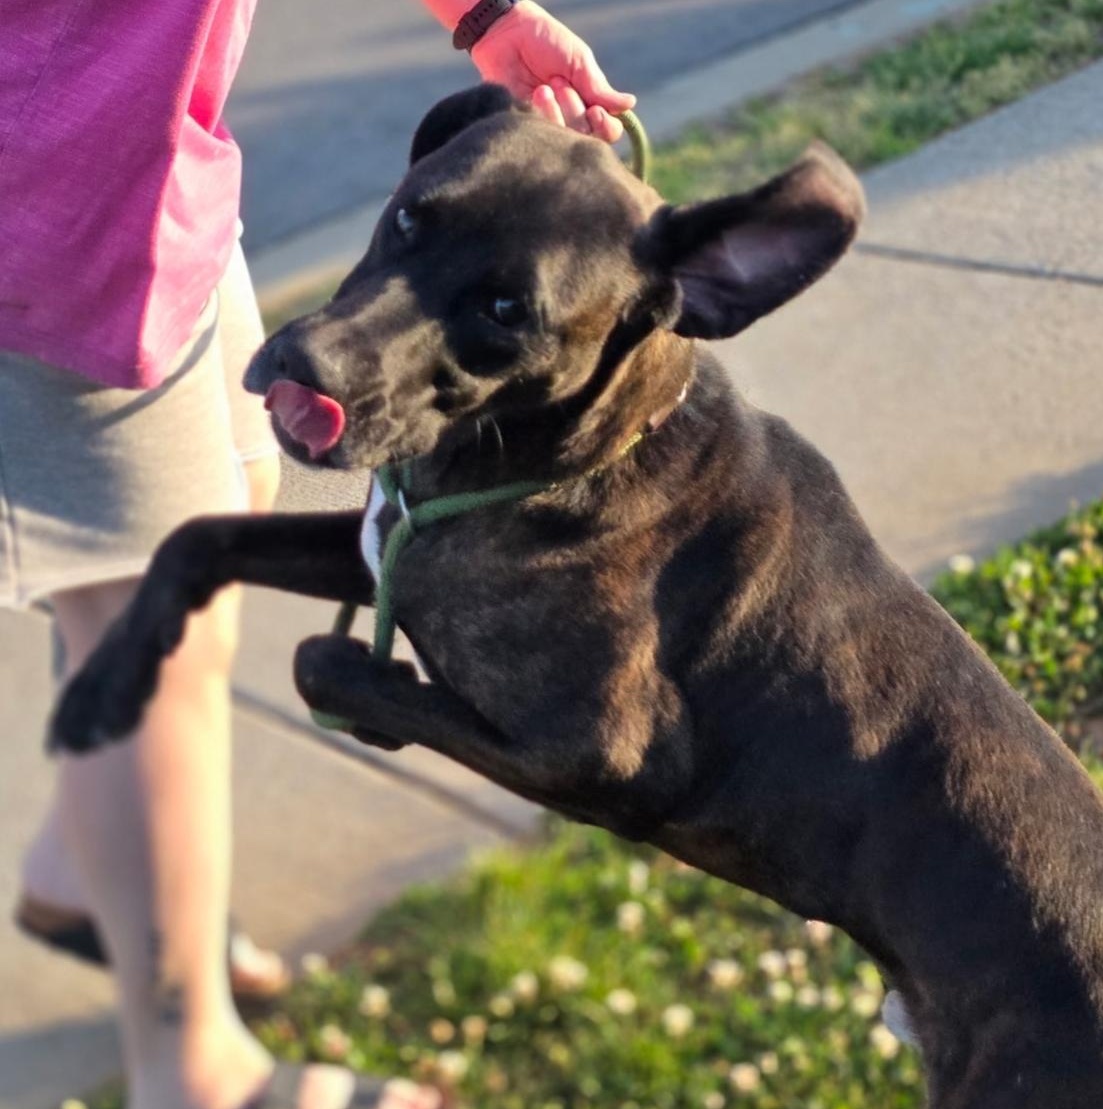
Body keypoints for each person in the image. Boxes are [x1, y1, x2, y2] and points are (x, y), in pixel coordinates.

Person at [0, 2, 634, 1107]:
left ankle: (88, 872)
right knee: (151, 625)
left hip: (146, 165)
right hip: (50, 209)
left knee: (235, 495)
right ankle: (191, 1069)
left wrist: (479, 12)